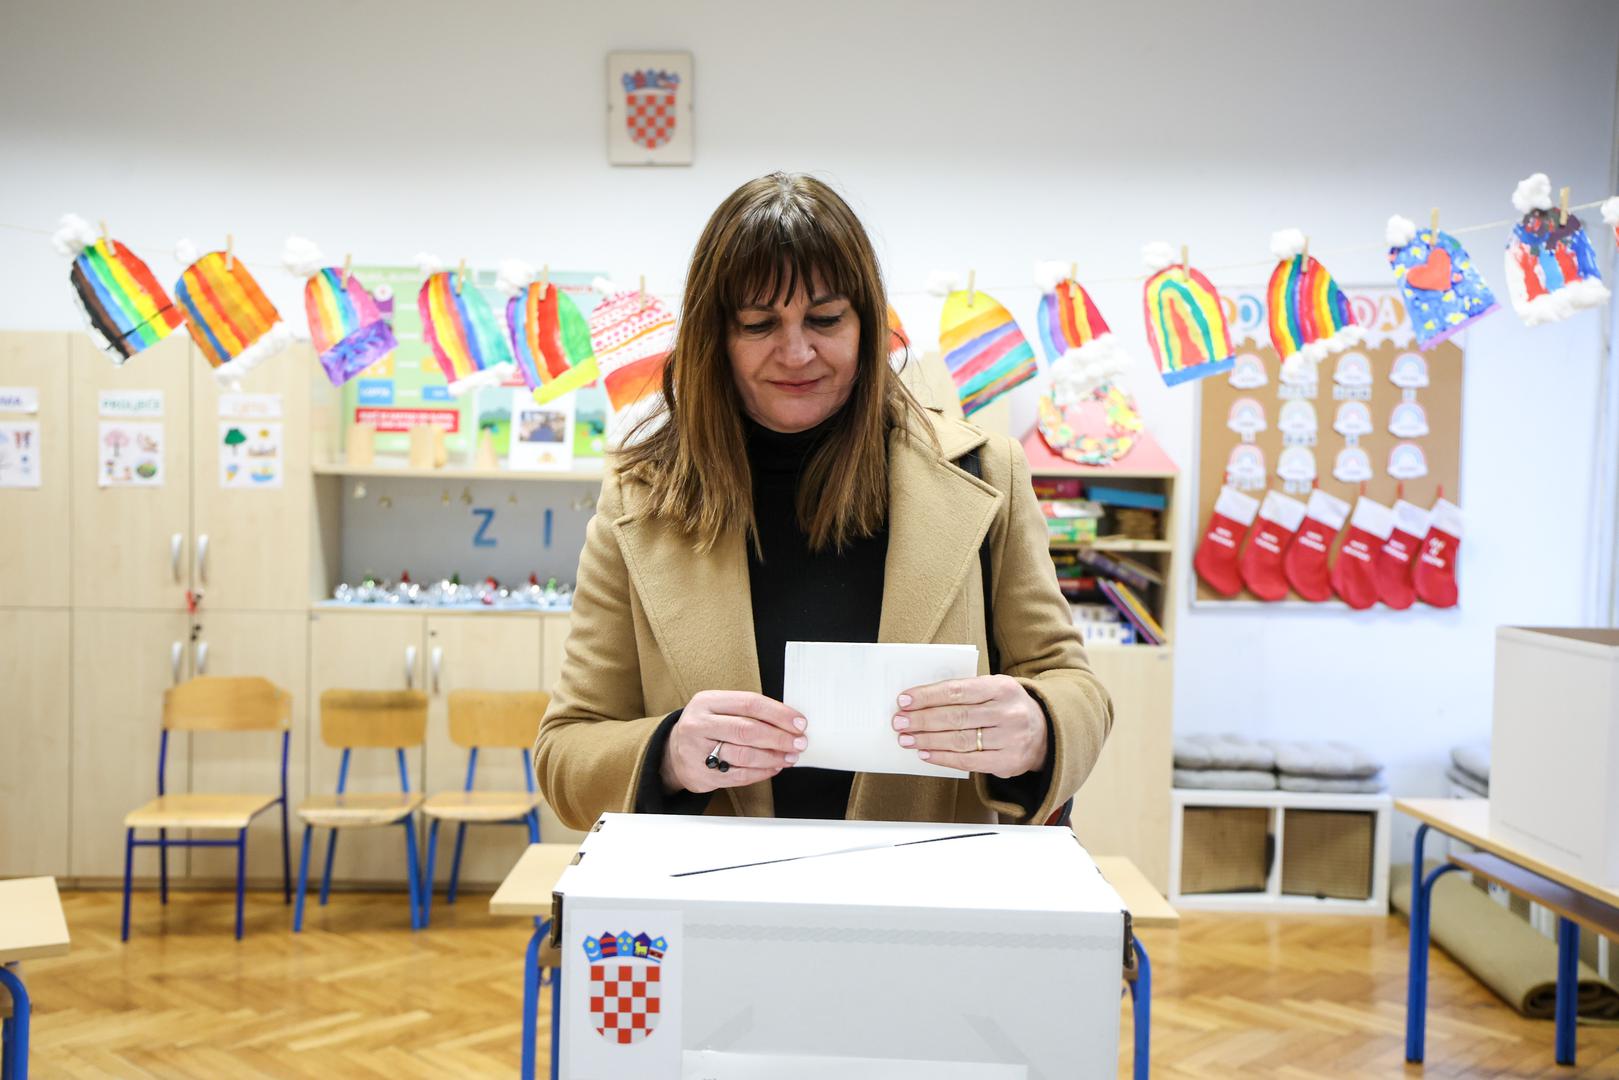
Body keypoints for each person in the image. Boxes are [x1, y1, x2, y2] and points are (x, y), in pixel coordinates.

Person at [535, 172, 1112, 828]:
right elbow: (566, 749)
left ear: (866, 323)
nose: (797, 351)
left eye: (825, 318)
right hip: (713, 906)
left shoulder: (983, 472)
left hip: (930, 904)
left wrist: (1038, 725)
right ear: (714, 338)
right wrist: (668, 752)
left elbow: (1073, 685)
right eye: (758, 324)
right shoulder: (639, 498)